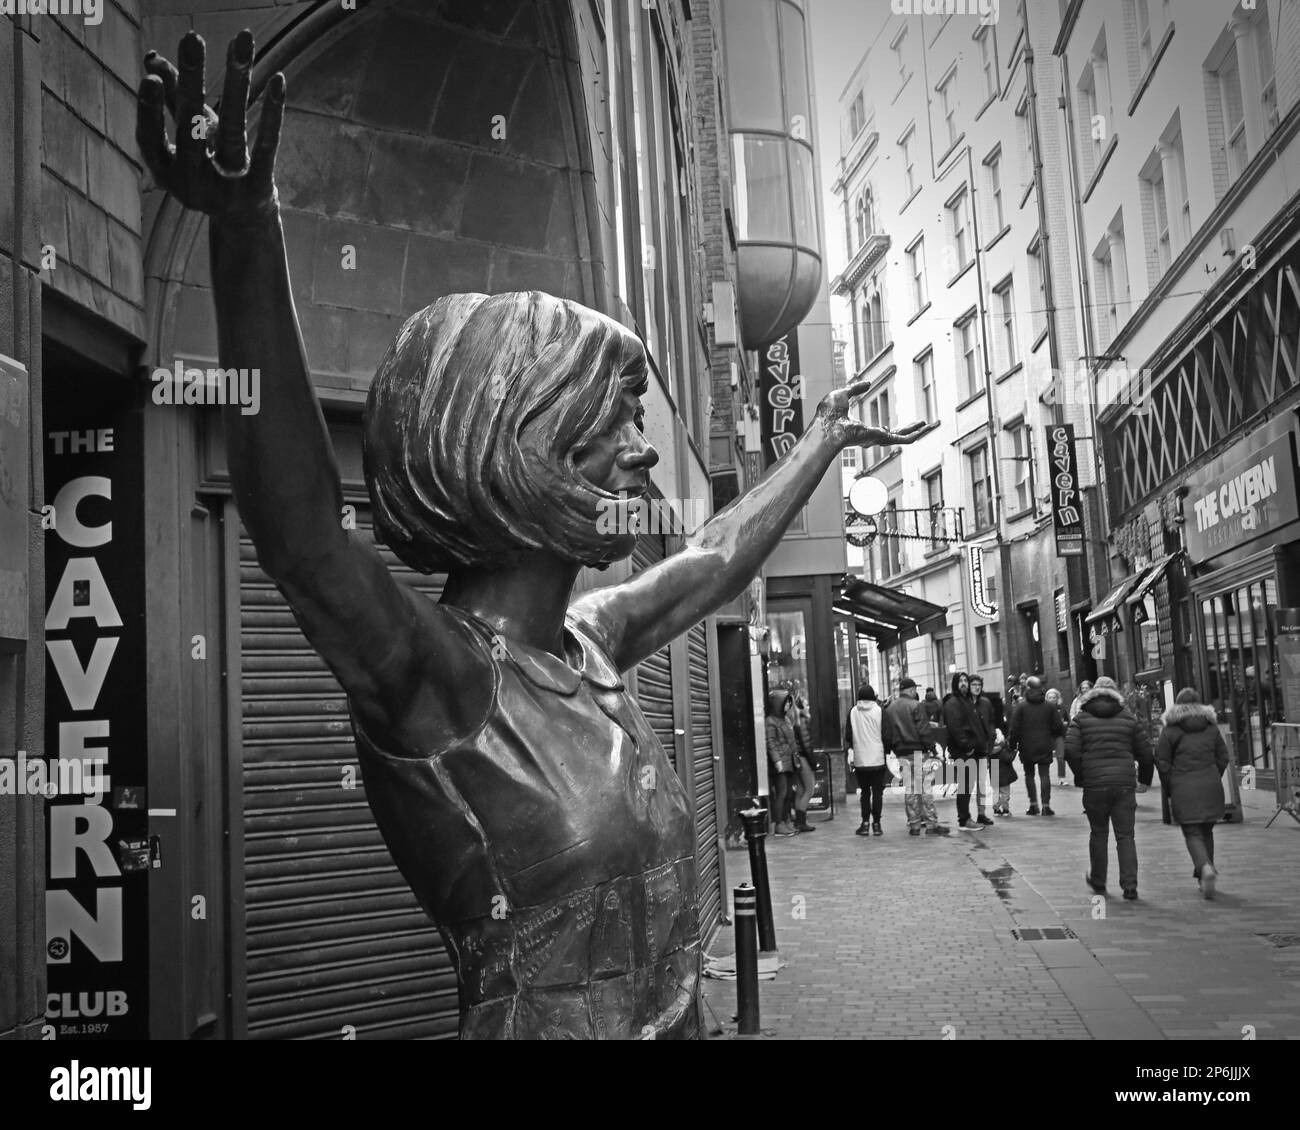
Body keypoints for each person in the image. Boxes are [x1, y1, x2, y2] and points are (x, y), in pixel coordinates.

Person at [133, 29, 929, 1041]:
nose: (644, 454)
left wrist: (817, 445)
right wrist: (246, 226)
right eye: (615, 426)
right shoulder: (445, 687)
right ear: (520, 448)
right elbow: (300, 541)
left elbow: (713, 557)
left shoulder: (587, 643)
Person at [1065, 676, 1155, 901]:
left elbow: (1071, 751)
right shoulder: (1128, 718)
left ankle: (1098, 881)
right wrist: (1144, 780)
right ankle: (1130, 885)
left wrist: (1081, 775)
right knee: (1126, 836)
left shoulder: (1082, 718)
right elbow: (1145, 752)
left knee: (1099, 833)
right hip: (1124, 783)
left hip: (1095, 785)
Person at [1155, 688, 1230, 899]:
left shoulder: (1170, 731)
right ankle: (1204, 874)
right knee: (1207, 830)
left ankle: (1205, 868)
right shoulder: (1211, 728)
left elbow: (1162, 762)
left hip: (1183, 786)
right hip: (1211, 785)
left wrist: (1170, 783)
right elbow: (1223, 757)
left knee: (1192, 832)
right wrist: (1214, 773)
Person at [884, 677, 949, 836]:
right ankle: (931, 823)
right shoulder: (916, 705)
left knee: (910, 788)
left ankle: (914, 824)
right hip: (918, 752)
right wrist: (932, 748)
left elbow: (887, 733)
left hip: (902, 754)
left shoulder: (891, 709)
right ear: (911, 690)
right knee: (925, 788)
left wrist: (894, 748)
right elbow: (923, 730)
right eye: (914, 689)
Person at [1009, 676, 1065, 816]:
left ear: (1027, 688)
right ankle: (1046, 806)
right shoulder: (1049, 706)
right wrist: (1051, 736)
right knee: (1044, 775)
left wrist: (1012, 744)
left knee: (1029, 775)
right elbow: (1058, 727)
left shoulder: (1021, 706)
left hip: (1026, 745)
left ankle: (1033, 805)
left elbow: (1014, 728)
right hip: (1044, 744)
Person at [942, 672, 990, 831]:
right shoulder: (953, 702)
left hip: (971, 750)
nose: (963, 683)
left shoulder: (966, 701)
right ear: (955, 684)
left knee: (968, 786)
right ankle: (964, 819)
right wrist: (967, 747)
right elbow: (956, 728)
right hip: (963, 751)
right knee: (965, 786)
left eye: (965, 680)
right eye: (960, 681)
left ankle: (965, 818)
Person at [845, 685, 888, 836]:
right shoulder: (880, 711)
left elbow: (848, 737)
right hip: (877, 758)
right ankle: (877, 824)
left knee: (864, 793)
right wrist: (886, 751)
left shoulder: (853, 712)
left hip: (861, 759)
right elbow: (886, 734)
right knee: (877, 792)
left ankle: (864, 824)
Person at [765, 690, 800, 836]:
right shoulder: (770, 721)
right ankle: (779, 824)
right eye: (785, 702)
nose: (788, 705)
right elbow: (770, 743)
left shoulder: (785, 719)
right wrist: (777, 760)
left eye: (789, 703)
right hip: (780, 763)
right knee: (782, 792)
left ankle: (786, 821)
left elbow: (791, 742)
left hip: (790, 761)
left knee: (789, 793)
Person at [968, 675, 1000, 826]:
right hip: (968, 749)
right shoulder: (964, 703)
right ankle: (965, 815)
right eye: (973, 684)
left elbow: (992, 721)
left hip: (982, 748)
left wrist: (991, 734)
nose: (976, 687)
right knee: (967, 783)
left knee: (982, 782)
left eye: (979, 684)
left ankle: (981, 813)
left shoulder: (986, 703)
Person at [790, 695, 818, 834]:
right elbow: (806, 745)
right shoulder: (802, 721)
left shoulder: (795, 721)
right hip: (803, 758)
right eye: (806, 704)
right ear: (801, 708)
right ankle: (801, 822)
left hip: (797, 758)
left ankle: (798, 821)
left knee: (801, 790)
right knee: (809, 789)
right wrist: (813, 763)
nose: (809, 707)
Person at [1046, 687, 1069, 785]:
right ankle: (1045, 777)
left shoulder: (1062, 708)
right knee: (1046, 758)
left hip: (1059, 735)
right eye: (1050, 697)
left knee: (1061, 757)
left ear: (1057, 698)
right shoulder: (1044, 709)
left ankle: (1061, 778)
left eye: (1054, 697)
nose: (1052, 699)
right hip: (1048, 735)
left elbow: (1068, 720)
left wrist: (1065, 724)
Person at [922, 686, 946, 751]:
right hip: (939, 728)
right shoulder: (940, 703)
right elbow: (942, 716)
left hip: (928, 729)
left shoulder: (923, 704)